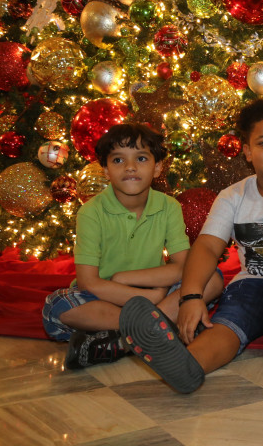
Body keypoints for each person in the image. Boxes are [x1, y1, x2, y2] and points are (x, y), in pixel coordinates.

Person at [118, 98, 263, 393]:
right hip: (252, 286)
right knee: (225, 327)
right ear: (247, 152)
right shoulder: (233, 196)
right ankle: (187, 365)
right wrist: (191, 296)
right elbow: (206, 247)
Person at [41, 123, 223, 369]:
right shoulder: (91, 212)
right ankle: (157, 329)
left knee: (211, 277)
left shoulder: (169, 206)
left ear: (157, 167)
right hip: (106, 297)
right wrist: (150, 297)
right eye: (118, 160)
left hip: (152, 289)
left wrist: (126, 278)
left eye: (141, 158)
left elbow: (184, 267)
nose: (130, 167)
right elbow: (88, 282)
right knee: (55, 307)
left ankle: (122, 341)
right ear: (105, 170)